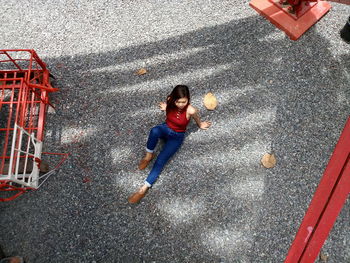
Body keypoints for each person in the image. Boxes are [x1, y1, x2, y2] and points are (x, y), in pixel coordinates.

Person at [128, 85, 212, 203]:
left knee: (161, 160)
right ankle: (148, 155)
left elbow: (196, 117)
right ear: (173, 99)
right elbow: (169, 106)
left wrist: (200, 124)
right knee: (154, 131)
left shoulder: (190, 110)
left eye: (184, 101)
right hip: (166, 128)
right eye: (178, 102)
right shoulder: (169, 101)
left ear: (188, 99)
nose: (181, 104)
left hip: (177, 137)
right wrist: (166, 107)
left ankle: (144, 188)